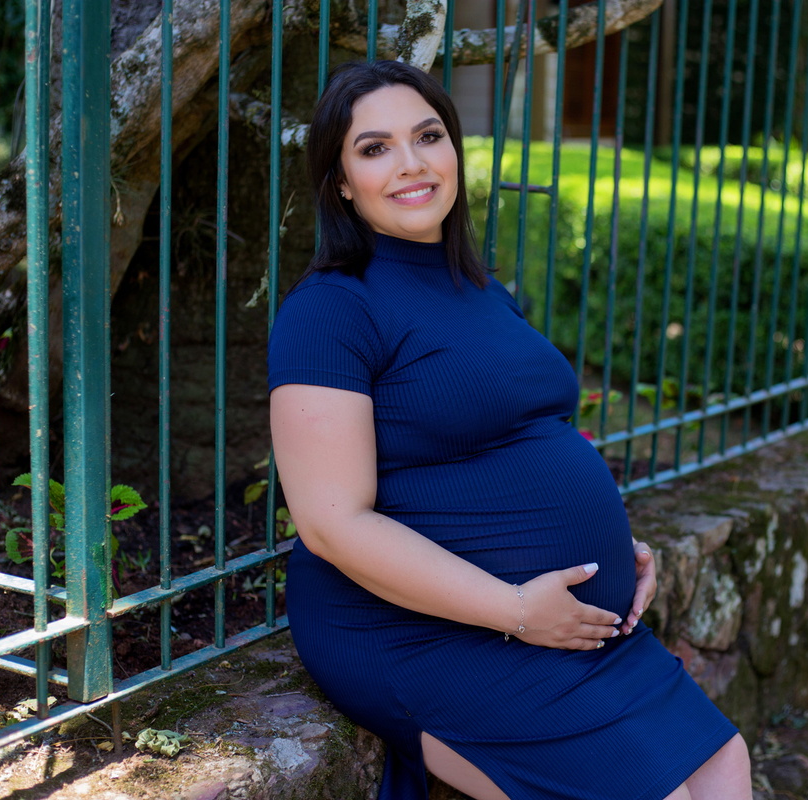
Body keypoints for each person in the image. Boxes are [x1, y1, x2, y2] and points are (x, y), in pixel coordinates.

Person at [267, 59, 751, 800]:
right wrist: (519, 610)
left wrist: (606, 550)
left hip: (561, 621)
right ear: (339, 181)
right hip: (420, 631)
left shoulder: (485, 292)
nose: (411, 163)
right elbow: (332, 524)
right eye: (374, 148)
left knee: (723, 766)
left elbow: (516, 440)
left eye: (428, 135)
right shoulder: (329, 311)